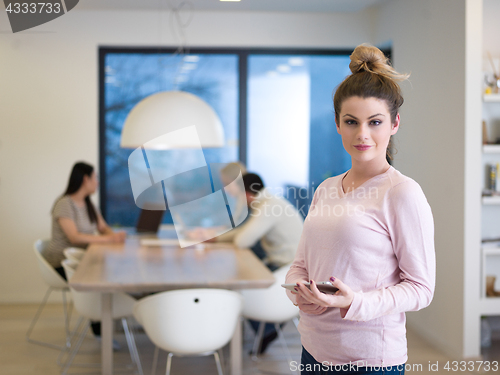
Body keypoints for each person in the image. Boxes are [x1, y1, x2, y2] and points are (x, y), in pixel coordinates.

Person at [285, 44, 435, 375]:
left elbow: (421, 289)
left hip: (369, 360)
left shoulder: (402, 193)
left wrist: (355, 303)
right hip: (313, 349)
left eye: (375, 122)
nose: (362, 134)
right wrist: (299, 291)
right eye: (351, 121)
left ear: (395, 124)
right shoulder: (326, 189)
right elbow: (301, 264)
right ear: (338, 124)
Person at [216, 172, 304, 353]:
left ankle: (267, 329)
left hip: (287, 267)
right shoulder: (268, 203)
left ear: (247, 194)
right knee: (239, 277)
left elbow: (243, 240)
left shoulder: (270, 207)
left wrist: (217, 238)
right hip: (282, 263)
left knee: (240, 284)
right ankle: (264, 329)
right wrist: (216, 239)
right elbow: (245, 232)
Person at [44, 162, 126, 339]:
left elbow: (103, 228)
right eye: (95, 178)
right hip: (63, 263)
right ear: (85, 179)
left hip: (83, 258)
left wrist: (115, 236)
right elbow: (74, 237)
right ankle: (100, 327)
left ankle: (109, 320)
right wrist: (108, 240)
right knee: (101, 277)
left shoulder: (88, 204)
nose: (97, 182)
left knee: (108, 271)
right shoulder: (64, 204)